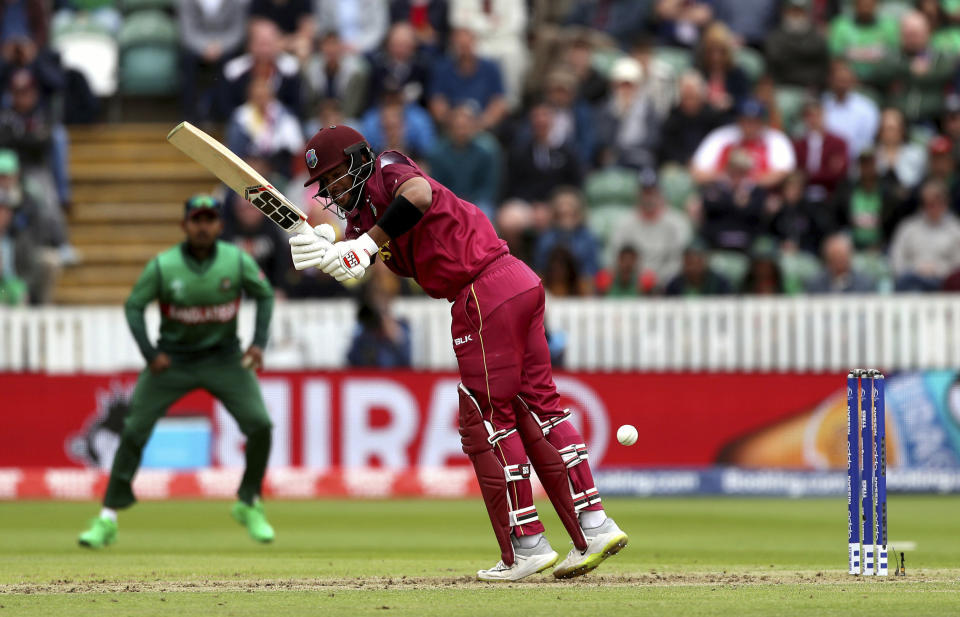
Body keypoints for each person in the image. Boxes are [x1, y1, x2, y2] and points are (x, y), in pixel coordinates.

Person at [287, 125, 627, 581]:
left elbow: (419, 195)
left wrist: (362, 246)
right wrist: (330, 251)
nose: (330, 190)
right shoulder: (360, 220)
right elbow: (357, 269)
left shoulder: (387, 167)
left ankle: (528, 544)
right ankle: (596, 524)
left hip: (481, 291)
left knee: (488, 418)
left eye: (333, 177)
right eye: (323, 184)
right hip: (516, 282)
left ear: (356, 160)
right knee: (543, 409)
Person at [77, 195, 277, 549]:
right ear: (184, 225)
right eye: (196, 220)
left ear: (219, 224)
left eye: (209, 219)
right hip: (174, 360)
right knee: (134, 429)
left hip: (225, 359)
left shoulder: (236, 261)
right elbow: (134, 307)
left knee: (260, 424)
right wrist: (150, 353)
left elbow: (265, 295)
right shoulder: (164, 266)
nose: (203, 226)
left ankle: (249, 502)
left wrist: (258, 343)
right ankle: (107, 518)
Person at [607, 169, 692, 290]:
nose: (649, 197)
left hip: (666, 287)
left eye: (652, 191)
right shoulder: (623, 223)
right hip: (631, 286)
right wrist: (634, 279)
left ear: (661, 193)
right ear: (637, 194)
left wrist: (657, 279)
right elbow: (613, 256)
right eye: (645, 192)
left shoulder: (677, 222)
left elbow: (679, 260)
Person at [691, 99, 796, 189]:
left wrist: (748, 182)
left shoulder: (775, 139)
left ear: (762, 122)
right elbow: (697, 172)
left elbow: (784, 172)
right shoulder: (722, 136)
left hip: (760, 198)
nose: (749, 125)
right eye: (745, 120)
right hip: (722, 195)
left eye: (754, 121)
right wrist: (725, 178)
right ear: (738, 120)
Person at [428, 27, 508, 131]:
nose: (464, 50)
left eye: (467, 45)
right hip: (451, 128)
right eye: (461, 46)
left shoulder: (490, 68)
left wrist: (480, 124)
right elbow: (436, 102)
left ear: (475, 43)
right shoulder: (442, 68)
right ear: (453, 45)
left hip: (482, 128)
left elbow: (499, 102)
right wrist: (456, 122)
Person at [889, 179, 960, 290]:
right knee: (906, 282)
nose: (932, 208)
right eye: (928, 204)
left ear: (945, 203)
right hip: (912, 280)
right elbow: (897, 259)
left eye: (937, 202)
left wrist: (937, 269)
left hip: (943, 282)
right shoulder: (908, 227)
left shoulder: (955, 229)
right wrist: (916, 269)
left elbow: (957, 264)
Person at [532, 187, 600, 288]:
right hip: (551, 290)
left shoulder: (589, 239)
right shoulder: (546, 239)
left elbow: (592, 271)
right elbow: (539, 271)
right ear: (555, 215)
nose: (566, 220)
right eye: (562, 215)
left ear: (578, 213)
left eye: (571, 214)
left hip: (581, 292)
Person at [828, 0, 899, 89]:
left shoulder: (889, 26)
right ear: (854, 4)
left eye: (869, 3)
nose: (866, 6)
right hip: (849, 85)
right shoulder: (840, 26)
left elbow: (895, 57)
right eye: (862, 3)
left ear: (877, 4)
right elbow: (836, 59)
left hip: (882, 84)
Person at [659, 71, 723, 166]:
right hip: (680, 164)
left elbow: (719, 144)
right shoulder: (672, 119)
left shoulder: (714, 117)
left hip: (710, 164)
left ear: (701, 96)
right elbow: (668, 148)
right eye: (686, 97)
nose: (689, 102)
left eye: (693, 97)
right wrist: (686, 161)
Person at [822, 59, 880, 158]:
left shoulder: (867, 108)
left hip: (857, 160)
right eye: (838, 80)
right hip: (827, 161)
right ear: (830, 80)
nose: (841, 85)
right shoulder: (822, 104)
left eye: (845, 81)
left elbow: (867, 141)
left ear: (853, 81)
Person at [792, 99, 848, 201]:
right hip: (802, 197)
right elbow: (794, 173)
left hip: (830, 197)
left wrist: (807, 176)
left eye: (817, 115)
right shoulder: (798, 145)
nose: (813, 120)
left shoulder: (838, 143)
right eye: (809, 116)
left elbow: (838, 174)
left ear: (824, 116)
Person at [765, 0, 829, 88]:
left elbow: (822, 62)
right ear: (786, 12)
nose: (797, 15)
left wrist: (790, 50)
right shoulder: (775, 36)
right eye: (793, 11)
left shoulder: (816, 36)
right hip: (783, 86)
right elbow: (775, 59)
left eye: (800, 11)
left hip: (812, 87)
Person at [806, 233, 876, 293]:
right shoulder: (815, 284)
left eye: (841, 257)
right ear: (827, 258)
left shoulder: (865, 284)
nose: (838, 261)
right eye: (834, 257)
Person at [664, 240, 732, 296]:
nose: (693, 267)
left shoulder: (720, 283)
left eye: (698, 262)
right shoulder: (674, 285)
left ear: (706, 261)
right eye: (689, 262)